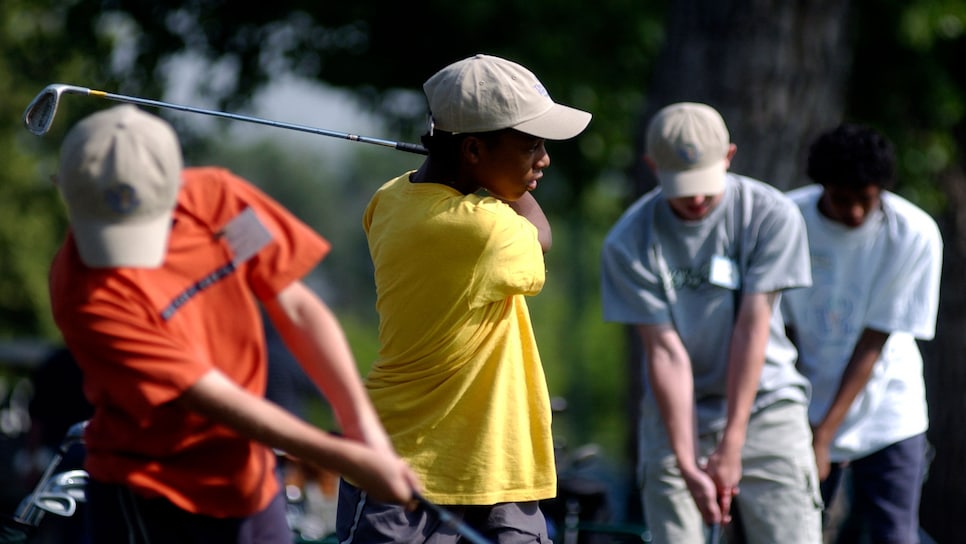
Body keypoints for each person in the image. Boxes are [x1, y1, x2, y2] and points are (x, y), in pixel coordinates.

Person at [47, 104, 419, 543]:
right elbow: (213, 398)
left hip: (251, 484)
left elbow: (296, 308)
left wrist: (362, 429)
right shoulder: (83, 295)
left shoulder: (218, 201)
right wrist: (345, 458)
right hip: (151, 496)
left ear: (175, 186)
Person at [335, 53, 591, 543]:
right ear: (472, 149)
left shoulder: (389, 198)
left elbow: (446, 184)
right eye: (531, 146)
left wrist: (486, 170)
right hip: (419, 476)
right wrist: (509, 188)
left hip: (473, 465)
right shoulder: (482, 229)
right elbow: (542, 235)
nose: (544, 160)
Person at [600, 102, 823, 544]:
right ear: (652, 167)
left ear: (729, 157)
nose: (697, 199)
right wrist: (686, 462)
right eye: (683, 188)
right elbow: (665, 352)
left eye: (705, 184)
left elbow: (752, 327)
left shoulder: (770, 215)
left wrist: (733, 443)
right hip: (675, 414)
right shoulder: (628, 241)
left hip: (767, 405)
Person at [781, 124, 942, 543]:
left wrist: (824, 437)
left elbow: (874, 341)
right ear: (822, 188)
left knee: (894, 534)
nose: (854, 212)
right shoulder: (784, 220)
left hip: (890, 413)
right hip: (800, 411)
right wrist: (799, 421)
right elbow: (780, 331)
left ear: (882, 191)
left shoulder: (913, 233)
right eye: (842, 199)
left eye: (865, 200)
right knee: (794, 532)